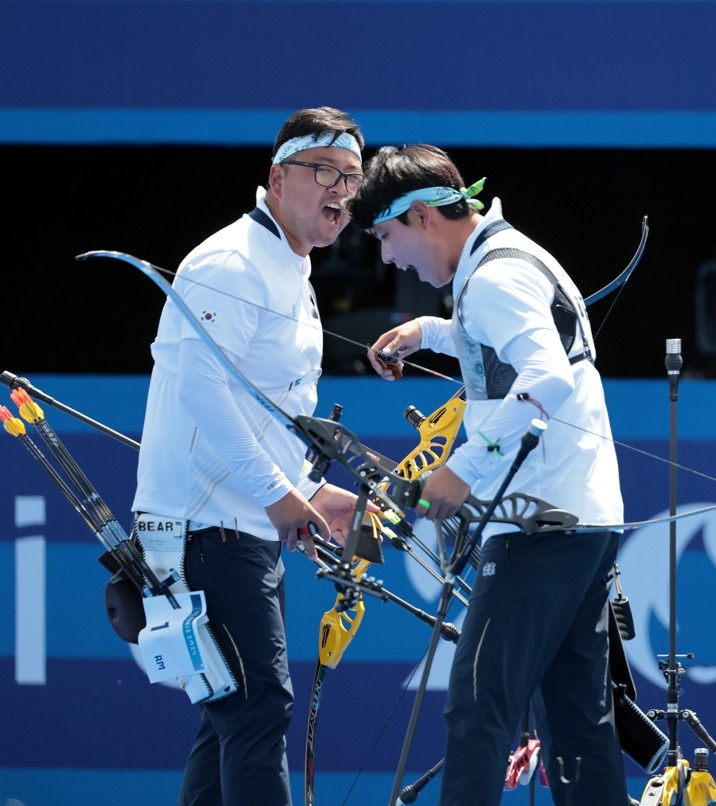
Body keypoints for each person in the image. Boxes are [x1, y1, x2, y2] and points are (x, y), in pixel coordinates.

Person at [347, 144, 628, 806]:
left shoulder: (494, 278)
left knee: (479, 711)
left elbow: (545, 376)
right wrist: (429, 333)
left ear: (420, 217)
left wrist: (464, 469)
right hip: (579, 521)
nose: (389, 258)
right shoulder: (508, 257)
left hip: (541, 528)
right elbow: (513, 345)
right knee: (574, 724)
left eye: (387, 237)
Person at [131, 107, 367, 805]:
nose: (341, 192)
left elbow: (264, 406)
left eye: (353, 179)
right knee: (257, 707)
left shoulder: (291, 267)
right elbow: (205, 392)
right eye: (324, 171)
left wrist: (303, 491)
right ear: (277, 176)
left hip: (244, 525)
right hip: (207, 528)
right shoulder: (233, 261)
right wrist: (277, 493)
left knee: (232, 715)